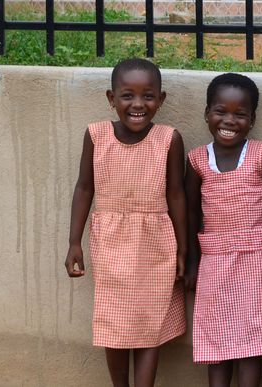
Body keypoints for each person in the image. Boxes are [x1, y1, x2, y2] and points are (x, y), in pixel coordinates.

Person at [64, 58, 187, 387]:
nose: (138, 104)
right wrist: (74, 242)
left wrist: (183, 250)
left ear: (161, 99)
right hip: (111, 245)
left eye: (148, 96)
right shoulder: (96, 135)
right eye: (127, 95)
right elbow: (84, 188)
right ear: (111, 98)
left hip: (156, 244)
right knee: (114, 325)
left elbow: (177, 195)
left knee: (150, 325)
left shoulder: (169, 139)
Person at [185, 73, 262, 387]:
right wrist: (192, 263)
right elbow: (191, 213)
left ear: (252, 120)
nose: (229, 120)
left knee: (252, 340)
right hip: (214, 262)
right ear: (207, 114)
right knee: (216, 339)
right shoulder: (197, 161)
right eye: (220, 111)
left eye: (240, 114)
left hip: (257, 261)